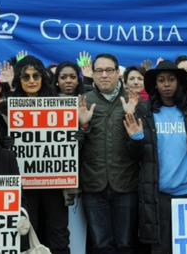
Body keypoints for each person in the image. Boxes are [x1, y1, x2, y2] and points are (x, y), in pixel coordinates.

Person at [123, 60, 187, 253]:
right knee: (162, 248)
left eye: (171, 79)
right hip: (158, 193)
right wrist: (136, 139)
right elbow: (134, 156)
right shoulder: (144, 112)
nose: (167, 84)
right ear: (155, 84)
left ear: (179, 83)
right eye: (161, 80)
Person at [78, 53, 139, 254]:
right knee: (101, 245)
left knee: (126, 244)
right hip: (93, 185)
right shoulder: (83, 101)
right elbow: (70, 147)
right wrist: (83, 126)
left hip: (126, 184)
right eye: (99, 71)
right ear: (92, 75)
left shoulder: (132, 100)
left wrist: (133, 118)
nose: (104, 75)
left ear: (118, 74)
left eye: (109, 70)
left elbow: (143, 148)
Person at [13, 55, 69, 254]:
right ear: (18, 80)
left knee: (59, 236)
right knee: (27, 237)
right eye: (25, 77)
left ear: (43, 78)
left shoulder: (60, 105)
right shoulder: (6, 107)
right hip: (23, 187)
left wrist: (79, 134)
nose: (31, 81)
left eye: (35, 76)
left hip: (54, 184)